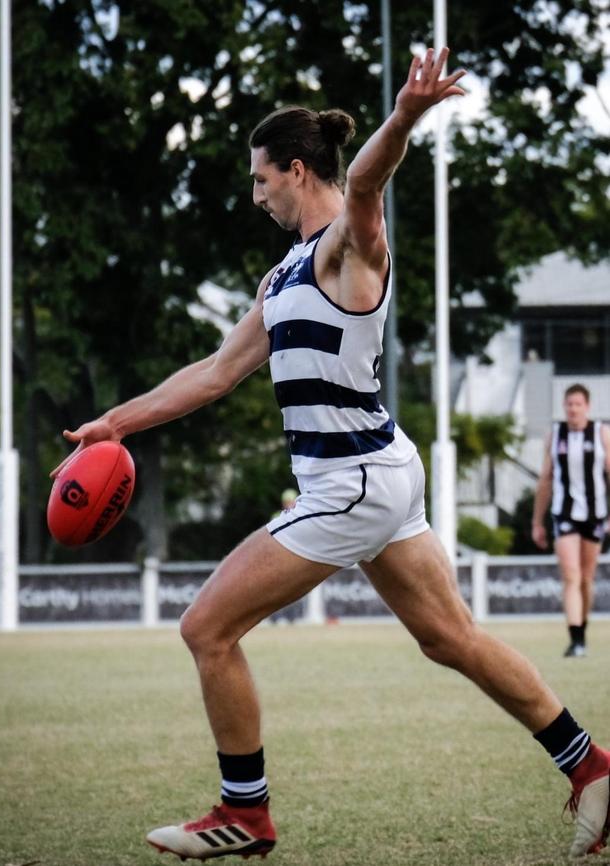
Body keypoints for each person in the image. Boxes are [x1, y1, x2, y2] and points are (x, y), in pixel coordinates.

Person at [51, 48, 609, 861]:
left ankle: (245, 813)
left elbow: (366, 183)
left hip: (351, 482)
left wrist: (409, 114)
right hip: (374, 473)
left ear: (297, 170)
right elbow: (214, 373)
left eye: (261, 180)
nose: (255, 196)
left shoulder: (349, 248)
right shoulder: (281, 280)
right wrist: (117, 423)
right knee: (450, 638)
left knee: (206, 628)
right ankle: (591, 765)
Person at [532, 383, 610, 657]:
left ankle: (582, 631)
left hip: (595, 515)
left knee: (587, 579)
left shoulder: (601, 433)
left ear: (587, 407)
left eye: (578, 404)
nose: (573, 409)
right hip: (564, 514)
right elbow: (545, 480)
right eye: (569, 404)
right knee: (571, 576)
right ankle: (575, 639)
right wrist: (537, 522)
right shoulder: (555, 436)